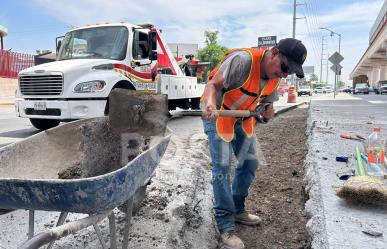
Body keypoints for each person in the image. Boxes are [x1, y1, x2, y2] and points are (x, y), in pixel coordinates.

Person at [201, 38, 307, 249]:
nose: (285, 74)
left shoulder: (275, 78)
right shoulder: (242, 61)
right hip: (218, 114)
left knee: (250, 163)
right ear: (275, 53)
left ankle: (238, 209)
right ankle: (225, 224)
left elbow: (266, 108)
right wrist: (211, 105)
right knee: (222, 169)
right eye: (285, 67)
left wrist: (267, 113)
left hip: (242, 119)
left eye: (290, 72)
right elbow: (212, 85)